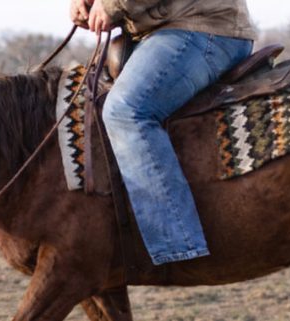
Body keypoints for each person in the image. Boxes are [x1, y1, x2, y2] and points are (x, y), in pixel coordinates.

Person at [69, 0, 256, 265]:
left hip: (204, 27)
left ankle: (175, 241)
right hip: (157, 31)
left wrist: (111, 5)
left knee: (125, 109)